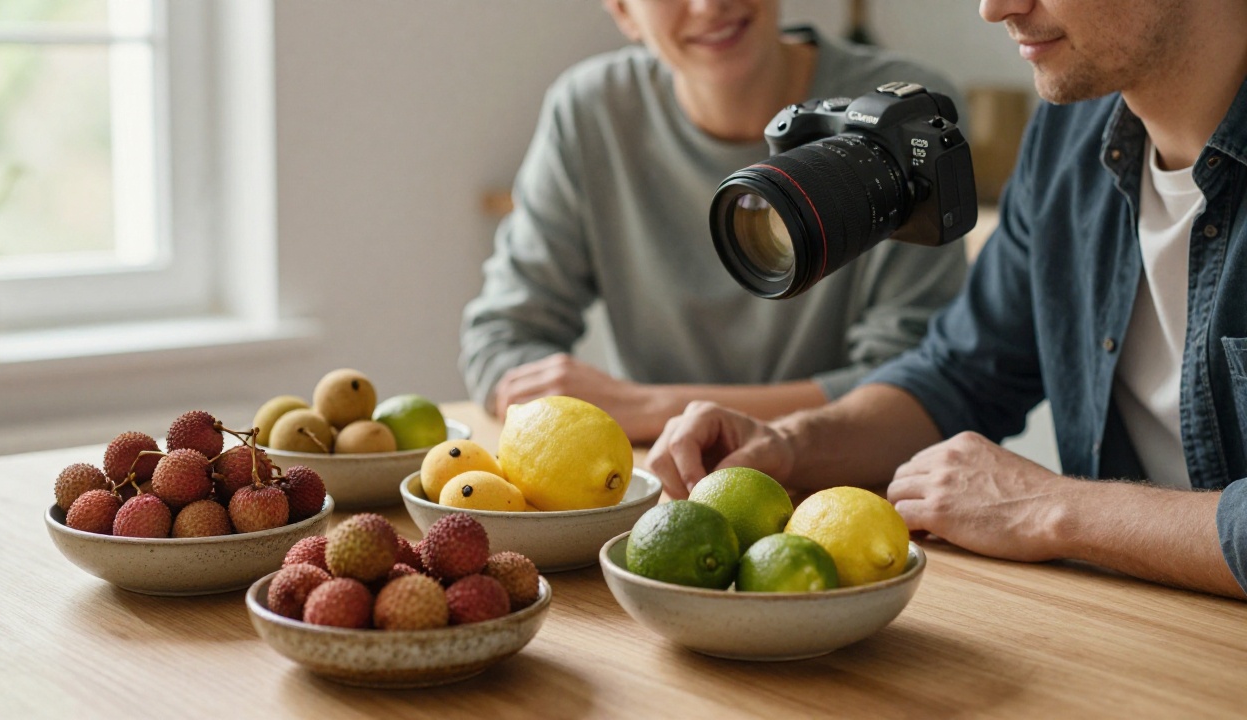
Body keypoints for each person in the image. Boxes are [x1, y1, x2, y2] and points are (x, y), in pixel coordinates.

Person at [646, 0, 1247, 599]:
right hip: (1142, 628)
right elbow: (962, 374)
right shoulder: (1068, 136)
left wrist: (1054, 510)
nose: (995, 8)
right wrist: (788, 445)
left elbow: (1042, 499)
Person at [459, 0, 969, 442]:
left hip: (850, 490)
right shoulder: (592, 111)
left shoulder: (902, 117)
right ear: (622, 12)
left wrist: (643, 408)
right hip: (664, 487)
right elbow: (502, 337)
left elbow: (916, 384)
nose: (708, 6)